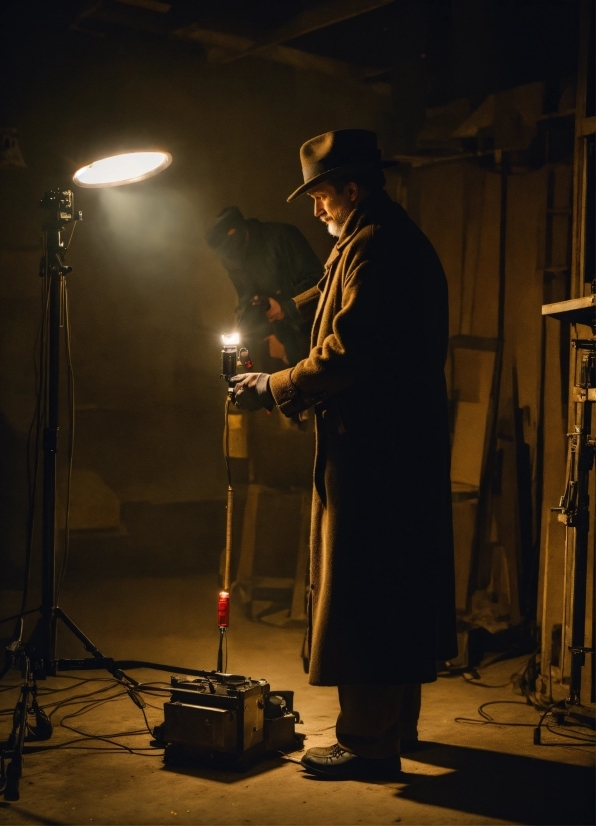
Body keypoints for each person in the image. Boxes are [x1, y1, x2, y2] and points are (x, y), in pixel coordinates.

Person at [230, 129, 457, 780]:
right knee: (392, 585)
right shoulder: (373, 240)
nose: (315, 210)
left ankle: (367, 743)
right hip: (389, 445)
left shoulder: (378, 246)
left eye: (321, 195)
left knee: (367, 589)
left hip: (377, 452)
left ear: (350, 190)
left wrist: (276, 385)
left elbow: (350, 349)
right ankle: (393, 726)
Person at [206, 206, 322, 368]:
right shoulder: (231, 257)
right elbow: (246, 297)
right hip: (282, 339)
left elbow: (319, 284)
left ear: (239, 232)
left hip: (314, 333)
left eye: (232, 247)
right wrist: (250, 327)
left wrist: (284, 308)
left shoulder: (282, 236)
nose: (232, 256)